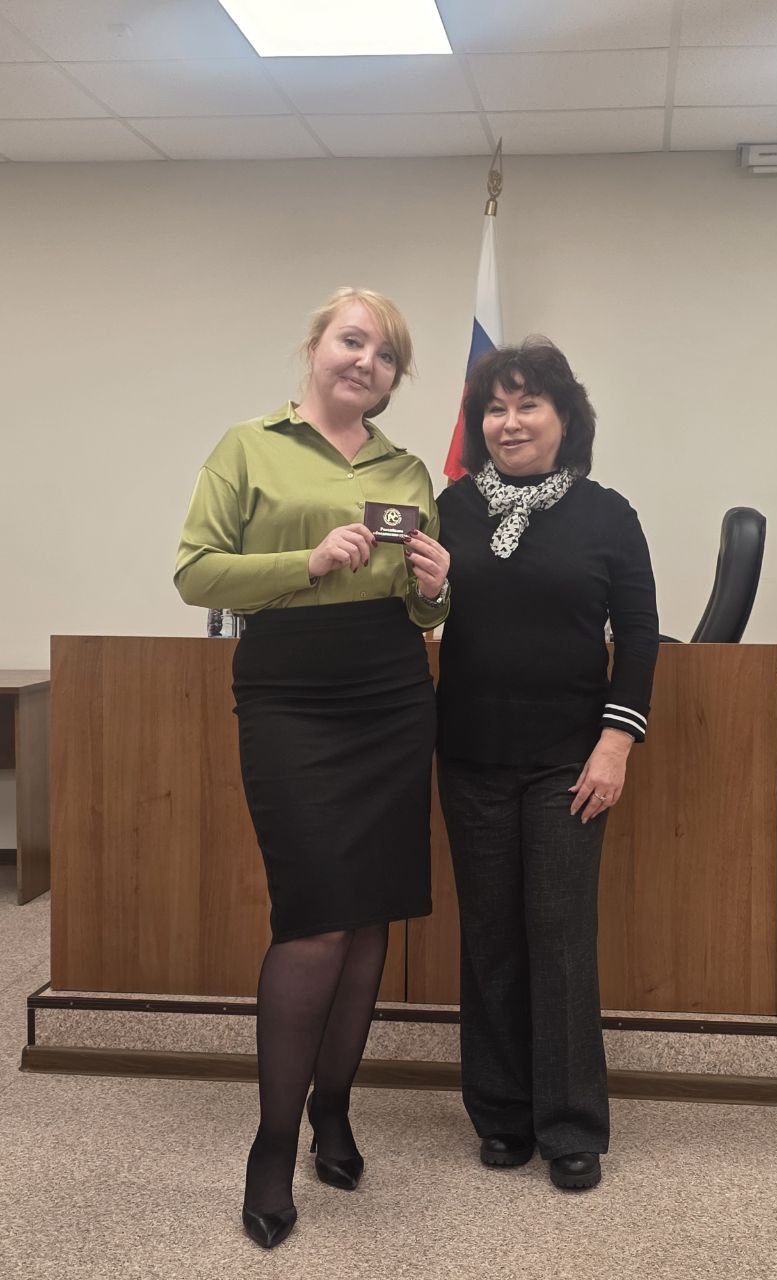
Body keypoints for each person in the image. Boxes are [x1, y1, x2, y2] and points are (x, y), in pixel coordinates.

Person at [174, 287, 450, 1249]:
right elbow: (195, 572)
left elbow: (422, 611)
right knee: (315, 918)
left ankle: (335, 1107)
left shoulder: (407, 468)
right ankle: (273, 1142)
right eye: (353, 341)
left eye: (386, 354)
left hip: (391, 689)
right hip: (290, 691)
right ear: (318, 347)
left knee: (369, 914)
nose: (366, 362)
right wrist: (307, 559)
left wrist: (436, 590)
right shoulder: (248, 447)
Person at [435, 339, 659, 1192]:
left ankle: (571, 1125)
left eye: (529, 404)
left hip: (570, 760)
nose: (510, 422)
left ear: (567, 419)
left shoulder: (608, 515)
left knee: (560, 938)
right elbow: (419, 606)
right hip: (470, 754)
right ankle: (500, 1115)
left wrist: (616, 742)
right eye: (495, 408)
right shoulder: (450, 510)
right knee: (489, 936)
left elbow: (639, 634)